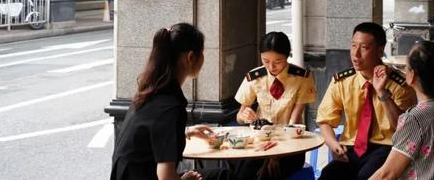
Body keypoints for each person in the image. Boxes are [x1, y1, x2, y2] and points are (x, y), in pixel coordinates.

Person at [110, 23, 234, 180]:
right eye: (202, 53)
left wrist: (186, 132)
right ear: (190, 57)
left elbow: (150, 136)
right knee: (224, 176)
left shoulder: (150, 91)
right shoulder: (171, 106)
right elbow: (165, 175)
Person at [317, 22, 417, 180]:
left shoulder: (400, 84)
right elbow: (325, 121)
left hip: (387, 147)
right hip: (352, 148)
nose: (355, 54)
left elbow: (403, 128)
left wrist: (382, 92)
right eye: (353, 46)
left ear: (379, 51)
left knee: (366, 176)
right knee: (329, 175)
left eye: (364, 48)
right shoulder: (342, 81)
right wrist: (333, 144)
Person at [369, 41, 434, 180]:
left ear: (412, 75)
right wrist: (382, 92)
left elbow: (386, 175)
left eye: (406, 67)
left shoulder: (416, 118)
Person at [234, 32, 316, 179]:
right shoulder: (255, 77)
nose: (271, 66)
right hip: (259, 143)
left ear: (287, 56)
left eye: (278, 61)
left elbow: (294, 121)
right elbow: (239, 117)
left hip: (290, 145)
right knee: (242, 172)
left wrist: (275, 155)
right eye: (265, 60)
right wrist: (244, 115)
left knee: (269, 174)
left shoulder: (302, 77)